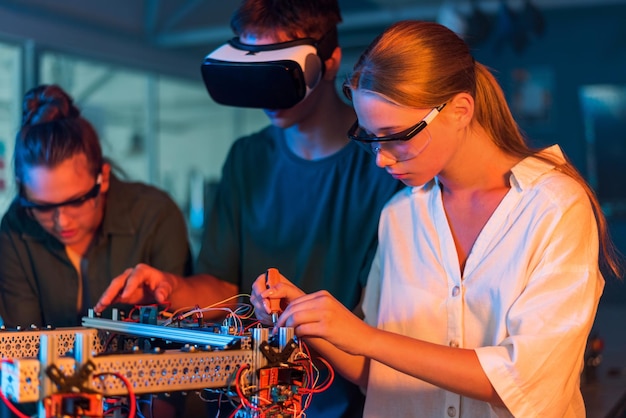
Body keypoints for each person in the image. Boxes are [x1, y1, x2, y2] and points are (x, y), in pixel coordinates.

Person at [251, 20, 623, 418]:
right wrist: (308, 319)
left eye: (397, 135)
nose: (382, 158)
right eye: (372, 138)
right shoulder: (400, 215)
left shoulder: (553, 207)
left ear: (460, 110)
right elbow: (374, 373)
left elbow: (526, 380)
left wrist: (364, 336)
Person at [94, 1, 404, 416]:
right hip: (249, 399)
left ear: (329, 62)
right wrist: (171, 287)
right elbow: (225, 288)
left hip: (346, 402)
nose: (265, 97)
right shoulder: (246, 158)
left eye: (277, 76)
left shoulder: (386, 166)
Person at [0, 84, 192, 417]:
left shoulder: (155, 216)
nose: (61, 221)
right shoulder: (15, 228)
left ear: (102, 177)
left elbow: (176, 355)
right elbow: (23, 357)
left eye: (75, 202)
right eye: (42, 207)